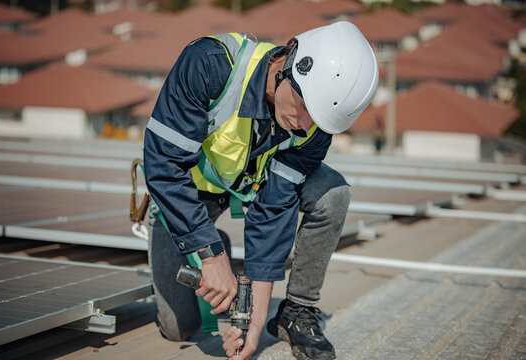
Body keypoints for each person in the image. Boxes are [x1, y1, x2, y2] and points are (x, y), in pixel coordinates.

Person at [144, 21, 378, 360]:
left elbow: (274, 209)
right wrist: (212, 256)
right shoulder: (210, 63)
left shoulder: (315, 126)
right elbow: (163, 167)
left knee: (332, 193)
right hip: (186, 197)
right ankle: (203, 237)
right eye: (306, 109)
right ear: (290, 65)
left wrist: (253, 324)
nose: (305, 125)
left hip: (249, 187)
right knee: (179, 328)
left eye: (319, 120)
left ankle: (296, 312)